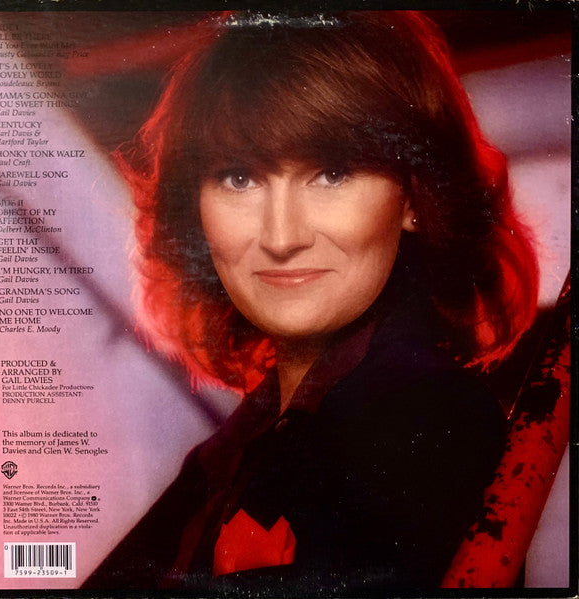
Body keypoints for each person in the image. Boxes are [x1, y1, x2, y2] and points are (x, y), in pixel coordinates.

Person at [84, 10, 538, 593]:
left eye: (332, 172)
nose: (281, 237)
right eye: (239, 178)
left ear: (413, 197)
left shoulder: (428, 421)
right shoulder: (234, 453)